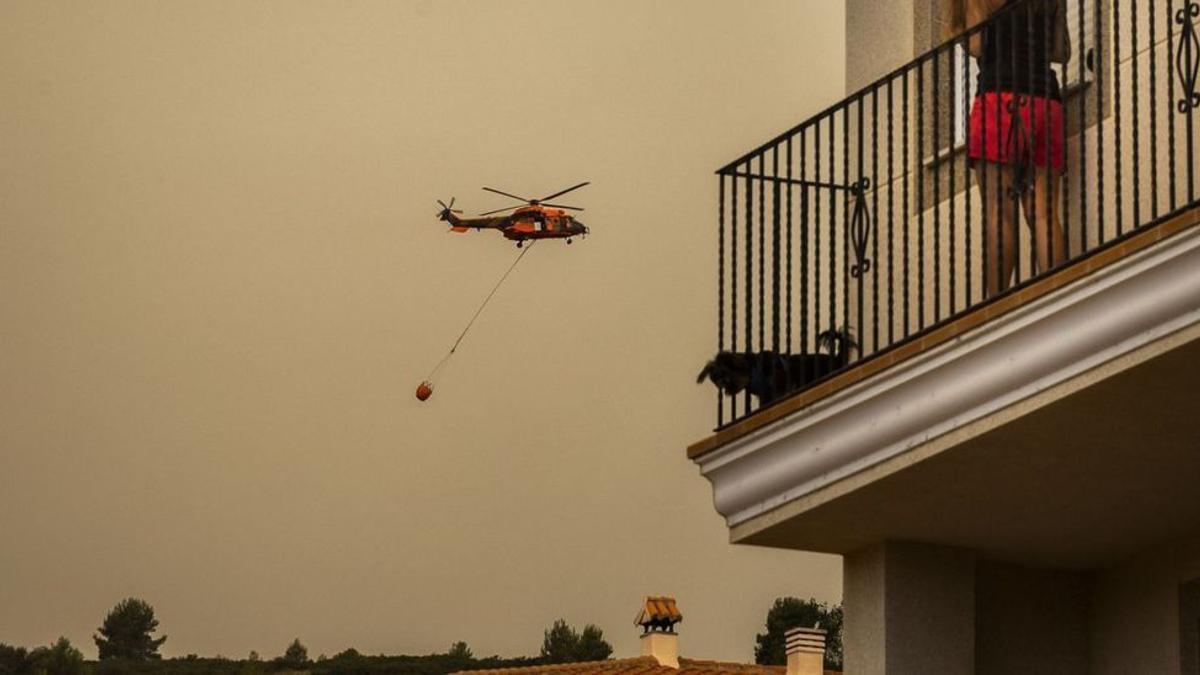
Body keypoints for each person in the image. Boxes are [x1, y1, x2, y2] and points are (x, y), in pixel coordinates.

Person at [951, 0, 1070, 297]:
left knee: (998, 214)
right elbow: (1061, 52)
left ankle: (994, 306)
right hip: (1045, 100)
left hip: (997, 99)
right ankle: (1060, 293)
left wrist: (955, 21)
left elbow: (976, 46)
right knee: (1043, 212)